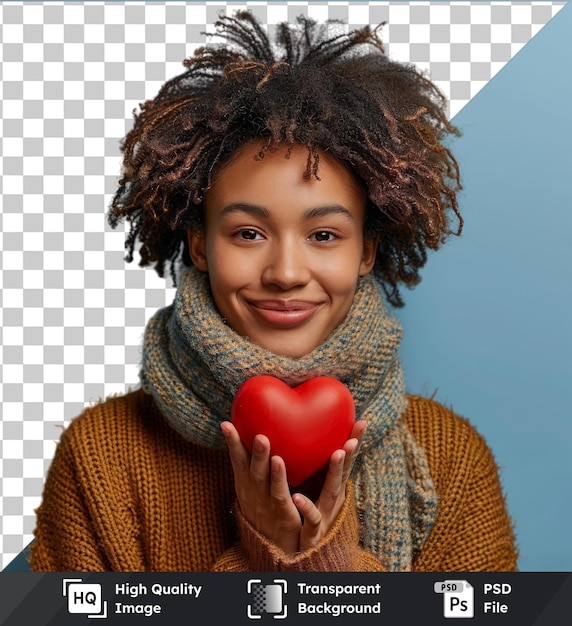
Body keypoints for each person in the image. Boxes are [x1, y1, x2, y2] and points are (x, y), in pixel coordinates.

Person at [30, 12, 517, 572]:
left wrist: (326, 561)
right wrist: (263, 558)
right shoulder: (101, 459)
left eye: (324, 234)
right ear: (200, 245)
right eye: (248, 233)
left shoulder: (450, 460)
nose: (286, 271)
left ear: (365, 251)